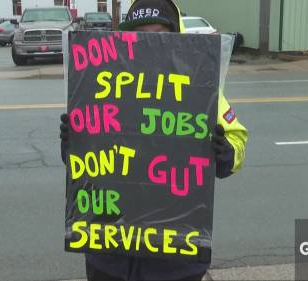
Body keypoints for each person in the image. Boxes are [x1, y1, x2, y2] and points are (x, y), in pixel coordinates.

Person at [60, 0, 248, 280]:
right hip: (109, 253)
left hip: (174, 258)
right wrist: (72, 145)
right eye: (141, 33)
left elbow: (236, 137)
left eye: (158, 33)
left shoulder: (198, 85)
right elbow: (88, 163)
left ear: (175, 37)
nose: (149, 42)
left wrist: (227, 153)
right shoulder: (103, 81)